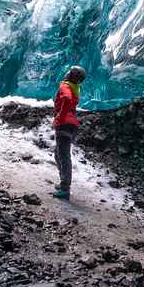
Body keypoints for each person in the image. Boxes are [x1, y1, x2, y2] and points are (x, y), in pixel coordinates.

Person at [52, 65, 86, 199]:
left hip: (64, 124)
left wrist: (60, 116)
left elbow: (66, 99)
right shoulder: (75, 88)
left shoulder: (65, 86)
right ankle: (63, 183)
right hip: (72, 124)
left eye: (70, 72)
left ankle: (65, 188)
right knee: (58, 154)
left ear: (71, 76)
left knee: (63, 156)